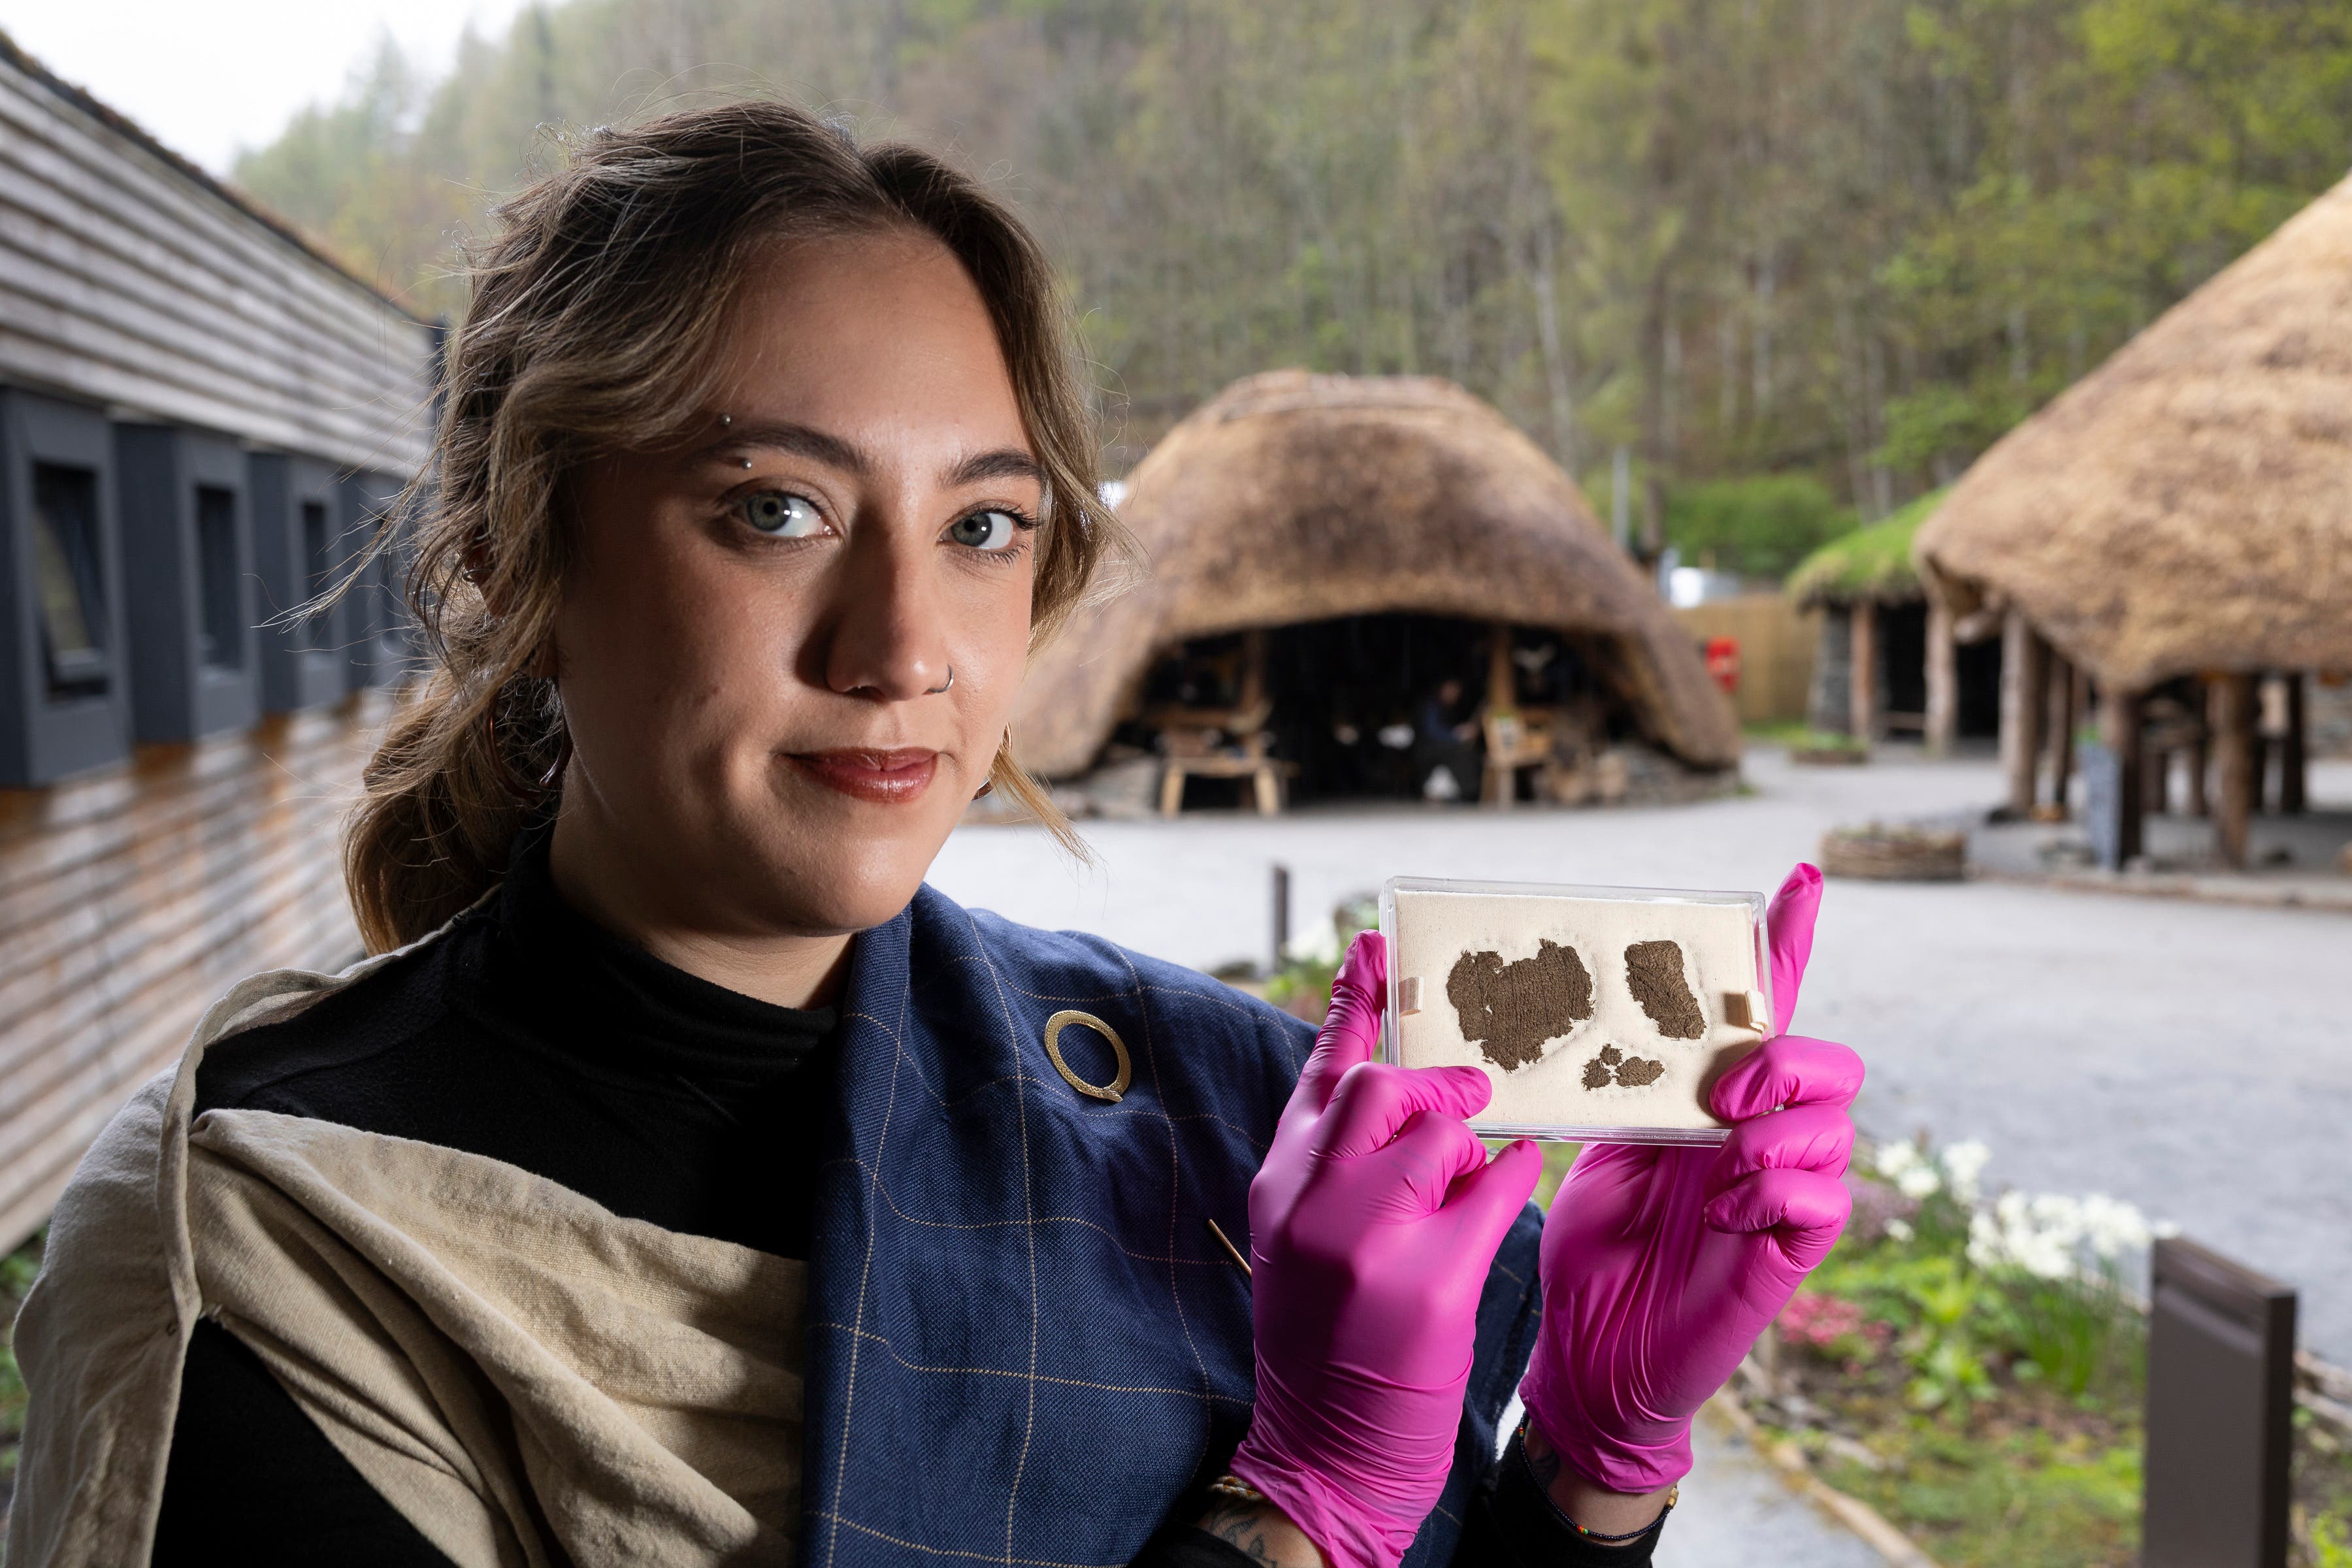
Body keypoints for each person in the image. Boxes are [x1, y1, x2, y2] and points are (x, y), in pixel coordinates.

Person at [4, 103, 1861, 1568]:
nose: (903, 648)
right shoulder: (273, 1255)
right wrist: (1298, 1509)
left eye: (981, 526)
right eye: (775, 509)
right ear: (521, 555)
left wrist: (1591, 1477)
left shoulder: (1199, 1118)